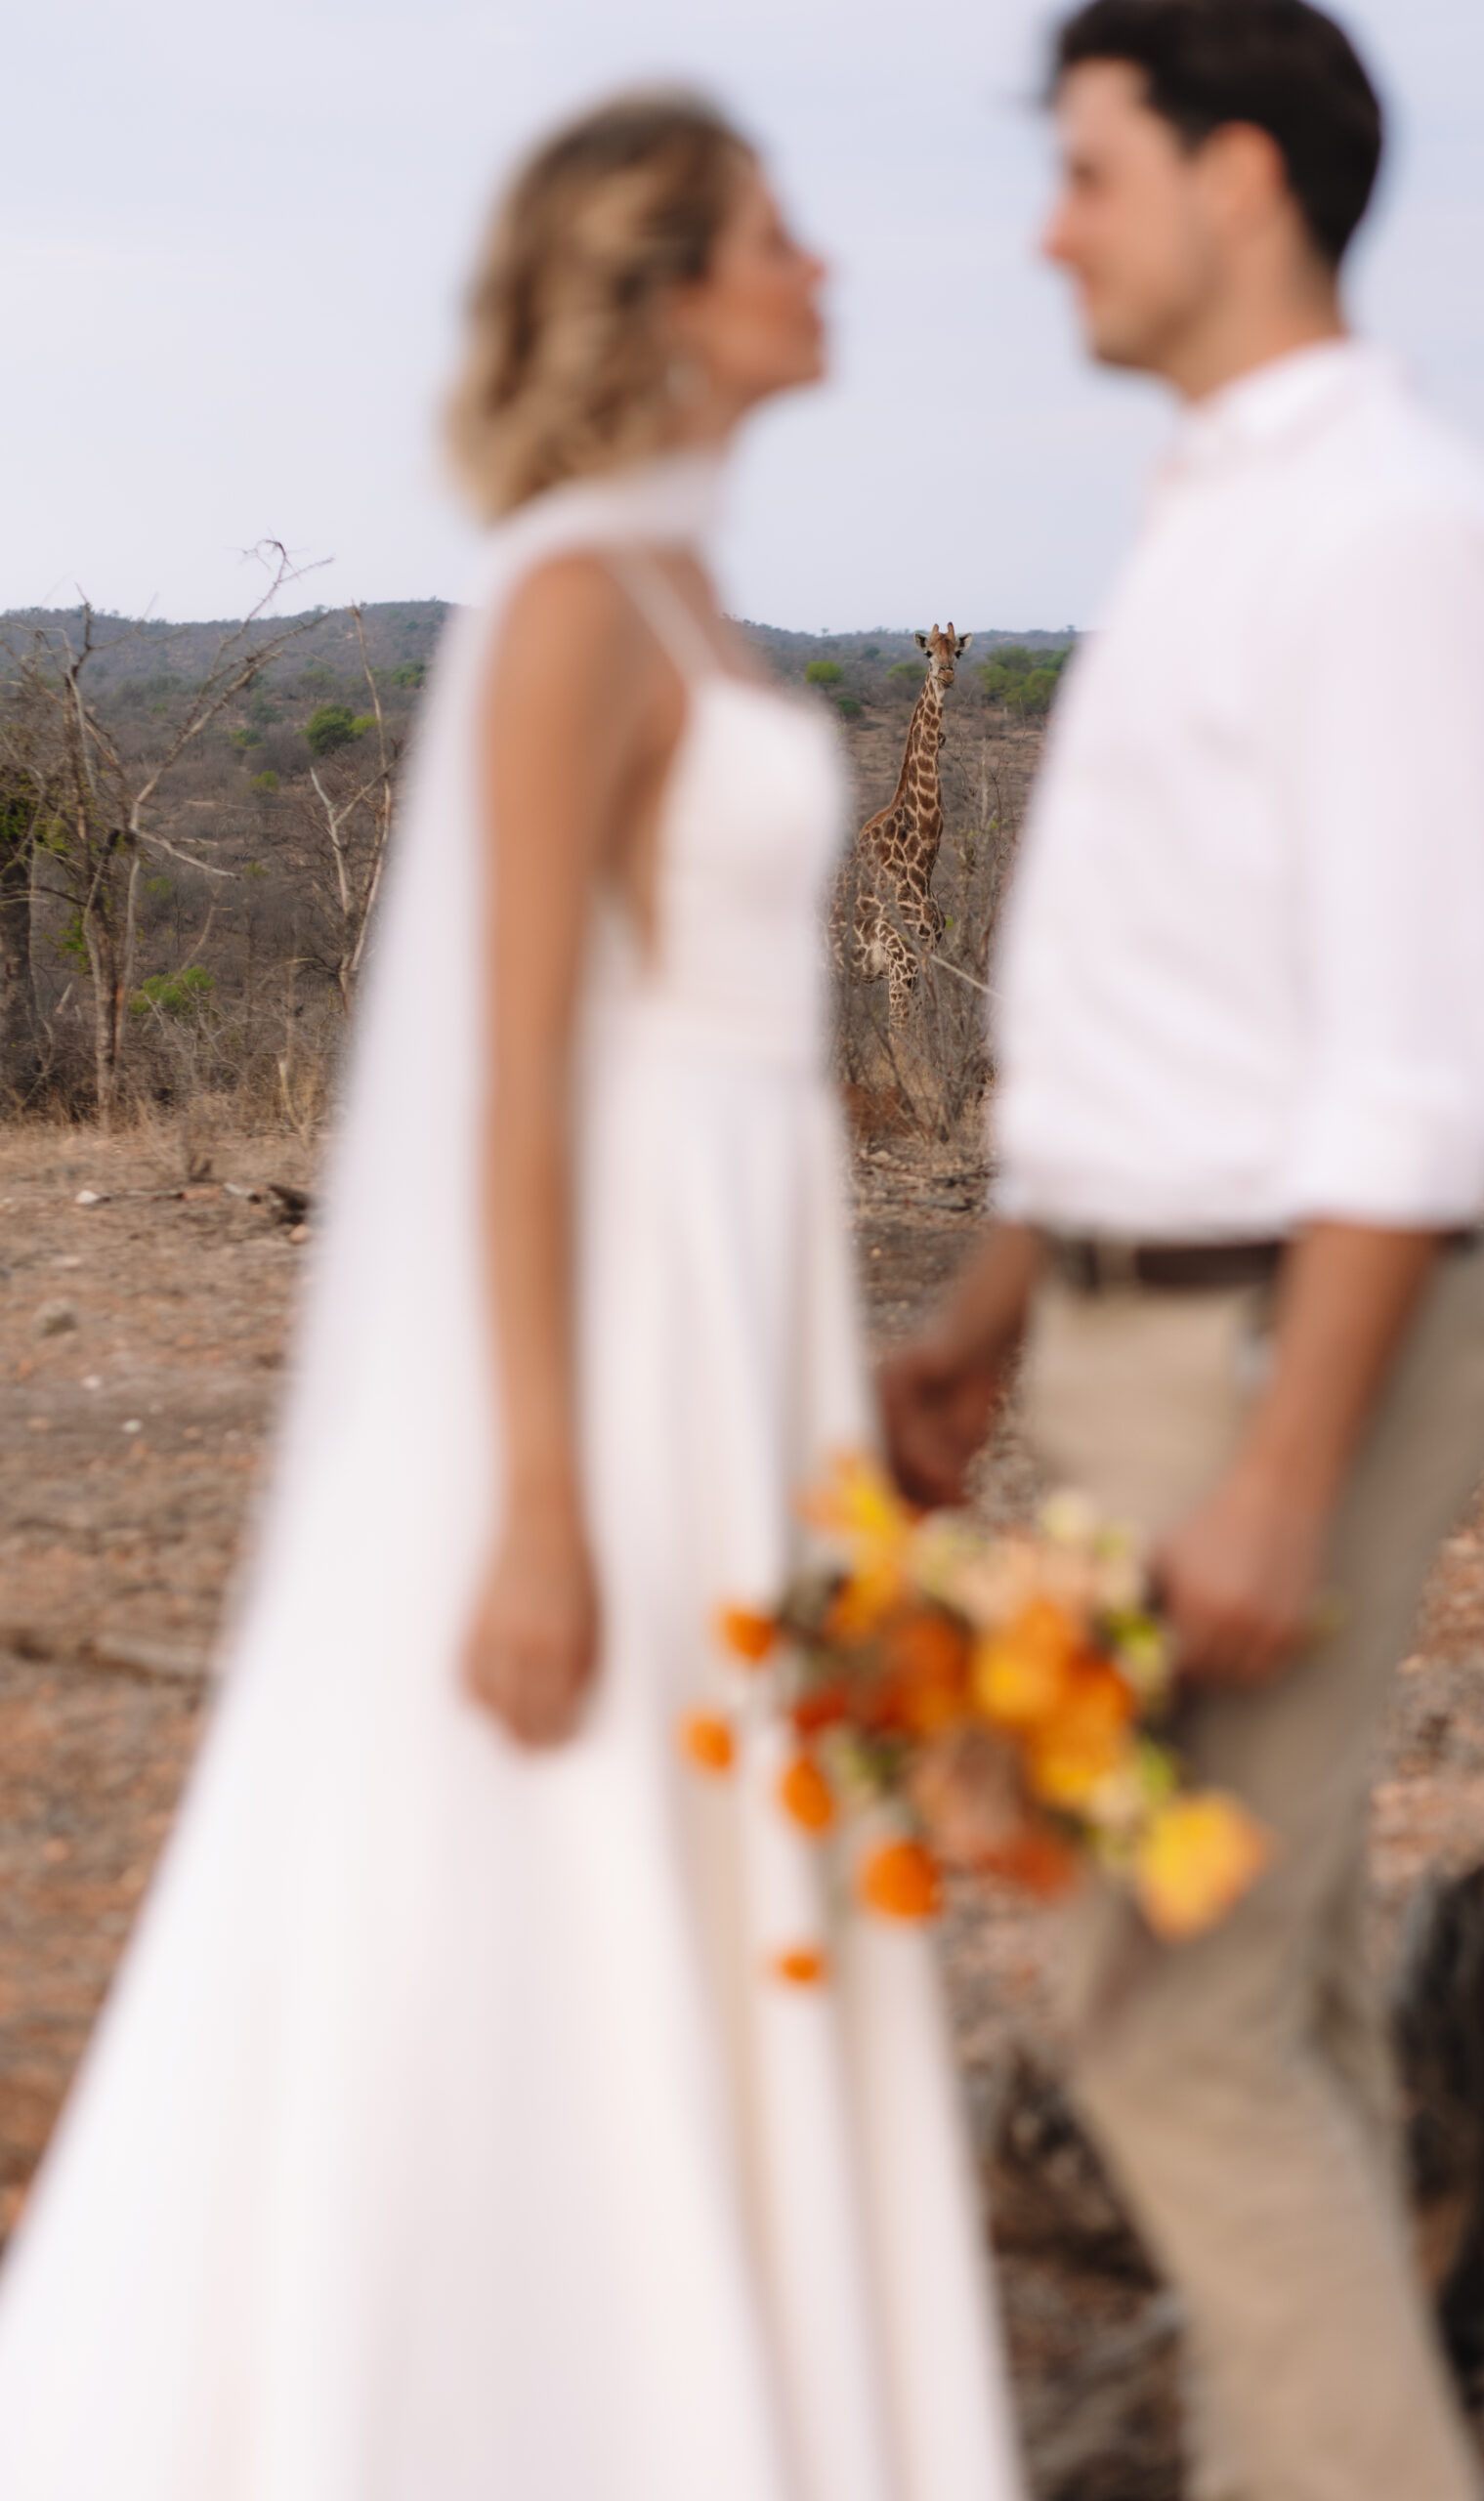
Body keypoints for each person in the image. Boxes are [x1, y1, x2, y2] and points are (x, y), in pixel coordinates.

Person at [0, 92, 1023, 2501]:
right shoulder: (569, 599)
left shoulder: (683, 592)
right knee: (543, 1841)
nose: (830, 274)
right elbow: (506, 1082)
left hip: (742, 1291)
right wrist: (546, 1490)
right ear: (662, 288)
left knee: (725, 1820)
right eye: (782, 239)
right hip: (621, 1311)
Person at [882, 7, 1484, 2498]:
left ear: (1242, 184)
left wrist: (1278, 1478)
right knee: (1268, 2003)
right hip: (1135, 1331)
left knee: (1166, 2033)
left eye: (1086, 170)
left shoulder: (1381, 541)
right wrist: (980, 1331)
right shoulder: (1221, 513)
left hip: (1265, 1351)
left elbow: (1407, 1070)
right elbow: (1151, 1022)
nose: (1047, 228)